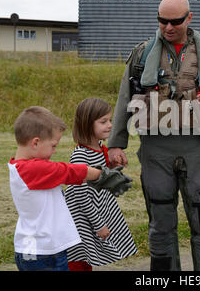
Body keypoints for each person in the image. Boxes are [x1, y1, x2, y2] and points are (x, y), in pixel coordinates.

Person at [107, 0, 200, 271]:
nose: (168, 27)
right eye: (162, 21)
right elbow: (123, 99)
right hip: (156, 151)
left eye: (175, 21)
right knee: (160, 224)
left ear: (189, 18)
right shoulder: (142, 54)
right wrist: (116, 144)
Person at [8, 106, 131, 271]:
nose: (55, 150)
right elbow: (70, 171)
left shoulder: (27, 168)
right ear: (35, 142)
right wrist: (101, 175)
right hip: (40, 254)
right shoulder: (29, 169)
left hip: (49, 249)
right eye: (53, 145)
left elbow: (65, 174)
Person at [65, 98, 137, 271]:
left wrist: (113, 167)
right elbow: (80, 195)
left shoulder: (99, 147)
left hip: (97, 209)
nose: (110, 125)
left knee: (88, 258)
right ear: (87, 124)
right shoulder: (81, 157)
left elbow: (102, 174)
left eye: (110, 120)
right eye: (103, 121)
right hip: (82, 218)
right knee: (79, 257)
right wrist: (99, 224)